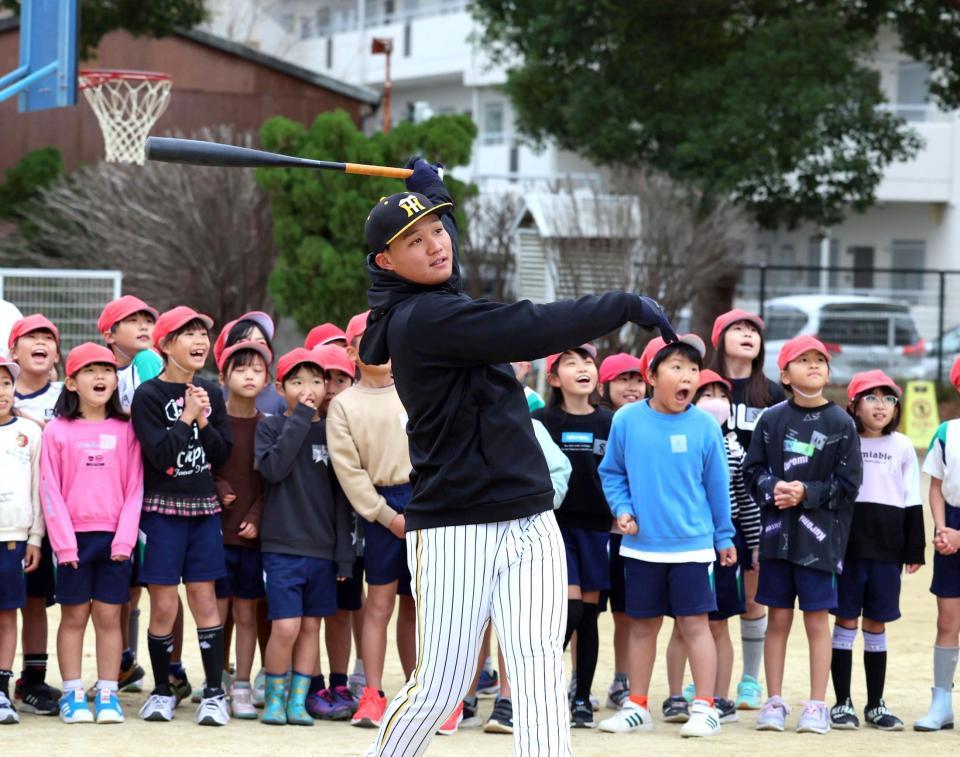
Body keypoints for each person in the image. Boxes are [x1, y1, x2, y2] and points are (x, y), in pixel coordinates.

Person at [357, 159, 676, 756]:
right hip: (454, 526)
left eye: (438, 230)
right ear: (386, 262)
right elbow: (530, 326)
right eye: (414, 241)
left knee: (538, 669)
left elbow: (446, 259)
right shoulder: (422, 319)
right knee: (441, 687)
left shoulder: (438, 295)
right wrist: (621, 305)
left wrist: (433, 192)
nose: (436, 246)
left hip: (529, 514)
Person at [597, 334, 735, 738]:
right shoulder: (626, 420)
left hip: (693, 547)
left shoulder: (705, 425)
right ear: (652, 376)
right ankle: (636, 706)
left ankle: (706, 707)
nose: (687, 376)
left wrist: (724, 536)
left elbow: (718, 485)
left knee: (696, 625)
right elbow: (612, 473)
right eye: (676, 367)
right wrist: (622, 509)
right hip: (641, 548)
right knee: (641, 625)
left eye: (693, 369)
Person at [743, 335, 862, 734]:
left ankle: (816, 704)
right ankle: (774, 700)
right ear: (785, 374)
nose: (814, 366)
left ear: (828, 372)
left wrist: (807, 492)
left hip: (821, 541)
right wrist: (774, 487)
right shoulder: (771, 419)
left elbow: (849, 484)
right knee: (778, 618)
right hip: (776, 538)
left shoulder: (842, 423)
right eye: (803, 360)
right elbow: (751, 471)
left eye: (820, 360)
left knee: (816, 620)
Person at [131, 306, 233, 726]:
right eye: (188, 334)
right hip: (161, 513)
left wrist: (204, 420)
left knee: (205, 599)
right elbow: (160, 456)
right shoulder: (148, 396)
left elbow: (222, 454)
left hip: (204, 511)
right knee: (163, 605)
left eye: (202, 334)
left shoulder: (211, 391)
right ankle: (161, 690)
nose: (200, 341)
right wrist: (187, 416)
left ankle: (214, 693)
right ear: (166, 345)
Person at [40, 343, 143, 725]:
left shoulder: (127, 430)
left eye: (107, 370)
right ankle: (72, 693)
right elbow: (50, 490)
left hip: (115, 541)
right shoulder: (57, 431)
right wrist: (64, 545)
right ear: (71, 382)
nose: (100, 377)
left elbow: (135, 489)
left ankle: (108, 693)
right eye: (90, 370)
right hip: (72, 542)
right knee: (73, 617)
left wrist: (125, 540)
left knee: (110, 617)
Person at [325, 311, 417, 730]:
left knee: (421, 605)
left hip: (426, 502)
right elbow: (350, 473)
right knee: (378, 603)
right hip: (380, 509)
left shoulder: (417, 390)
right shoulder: (344, 405)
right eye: (369, 337)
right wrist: (387, 516)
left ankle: (422, 693)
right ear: (351, 351)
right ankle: (372, 693)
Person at [254, 348, 353, 726]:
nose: (308, 388)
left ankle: (298, 701)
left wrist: (344, 556)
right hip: (281, 548)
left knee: (311, 626)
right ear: (280, 389)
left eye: (315, 380)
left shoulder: (333, 431)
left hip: (323, 550)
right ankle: (274, 699)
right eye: (297, 382)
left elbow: (342, 499)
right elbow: (273, 469)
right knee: (286, 626)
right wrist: (298, 419)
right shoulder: (270, 427)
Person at [663, 369, 760, 724]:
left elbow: (745, 501)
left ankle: (720, 697)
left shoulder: (735, 447)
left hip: (725, 543)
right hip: (686, 540)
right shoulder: (676, 437)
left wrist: (754, 544)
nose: (715, 401)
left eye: (722, 395)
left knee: (719, 624)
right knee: (682, 623)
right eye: (707, 394)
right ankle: (676, 696)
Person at [828, 370, 923, 731]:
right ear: (854, 407)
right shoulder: (845, 442)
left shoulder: (902, 446)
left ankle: (875, 704)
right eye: (871, 398)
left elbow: (911, 497)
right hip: (848, 549)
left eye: (888, 399)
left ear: (896, 408)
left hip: (887, 550)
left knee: (876, 623)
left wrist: (914, 548)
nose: (880, 406)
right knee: (845, 621)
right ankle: (842, 703)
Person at [532, 344, 612, 729]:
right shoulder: (540, 420)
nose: (583, 368)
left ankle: (581, 697)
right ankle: (541, 687)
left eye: (588, 361)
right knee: (570, 609)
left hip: (597, 528)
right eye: (570, 362)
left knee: (590, 617)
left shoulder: (611, 422)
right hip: (555, 526)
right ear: (552, 378)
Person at [711, 308, 785, 709]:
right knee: (709, 599)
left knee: (754, 593)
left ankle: (750, 680)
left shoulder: (770, 394)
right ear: (719, 338)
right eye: (737, 329)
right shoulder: (704, 384)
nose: (747, 335)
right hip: (709, 509)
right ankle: (706, 679)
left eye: (753, 331)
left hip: (757, 508)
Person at [98, 294, 162, 696]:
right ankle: (122, 662)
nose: (143, 326)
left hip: (151, 485)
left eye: (147, 320)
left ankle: (164, 667)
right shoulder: (100, 369)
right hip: (111, 485)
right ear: (109, 334)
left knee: (152, 582)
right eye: (132, 321)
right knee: (120, 579)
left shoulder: (149, 362)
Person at [213, 340, 273, 720]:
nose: (249, 376)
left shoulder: (270, 426)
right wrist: (217, 486)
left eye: (257, 370)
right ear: (223, 377)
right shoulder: (211, 422)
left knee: (248, 613)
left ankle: (242, 685)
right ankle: (214, 682)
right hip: (216, 536)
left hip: (253, 539)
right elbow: (200, 467)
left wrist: (258, 513)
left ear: (268, 380)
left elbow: (274, 480)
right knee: (216, 615)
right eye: (240, 369)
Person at [9, 314, 62, 716]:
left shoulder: (66, 394)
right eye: (31, 337)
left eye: (48, 337)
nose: (41, 342)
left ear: (57, 354)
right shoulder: (3, 393)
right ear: (13, 351)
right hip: (10, 517)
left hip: (48, 517)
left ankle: (33, 679)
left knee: (35, 599)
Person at [595, 352, 644, 709]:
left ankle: (622, 679)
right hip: (596, 532)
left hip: (632, 534)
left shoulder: (646, 422)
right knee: (586, 613)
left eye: (637, 379)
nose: (631, 387)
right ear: (604, 386)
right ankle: (578, 681)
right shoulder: (597, 421)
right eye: (623, 379)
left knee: (626, 612)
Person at [916, 355, 960, 732]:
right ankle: (941, 702)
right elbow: (935, 486)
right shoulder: (947, 432)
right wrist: (942, 530)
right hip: (951, 529)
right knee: (947, 618)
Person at [0, 357, 42, 724]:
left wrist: (36, 537)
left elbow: (38, 490)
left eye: (5, 383)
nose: (1, 391)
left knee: (7, 615)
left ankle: (1, 690)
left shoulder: (30, 432)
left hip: (13, 540)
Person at [214, 312, 287, 416]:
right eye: (243, 342)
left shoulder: (281, 399)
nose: (252, 347)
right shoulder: (213, 401)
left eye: (261, 343)